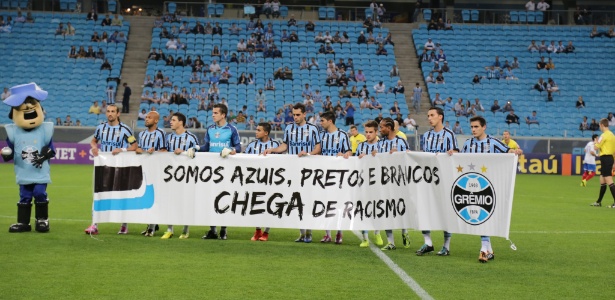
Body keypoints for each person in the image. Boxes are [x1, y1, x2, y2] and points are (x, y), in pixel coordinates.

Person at [458, 116, 522, 263]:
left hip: (490, 186)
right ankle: (487, 249)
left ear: (484, 127)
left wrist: (516, 152)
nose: (473, 129)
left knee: (483, 215)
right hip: (472, 187)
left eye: (476, 127)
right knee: (480, 215)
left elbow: (508, 152)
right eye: (472, 127)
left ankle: (484, 248)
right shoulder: (468, 144)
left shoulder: (493, 142)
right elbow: (460, 160)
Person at [263, 103, 321, 243]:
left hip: (308, 170)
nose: (295, 117)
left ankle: (309, 232)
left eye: (298, 115)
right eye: (293, 114)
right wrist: (272, 150)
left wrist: (308, 153)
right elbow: (285, 146)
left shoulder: (313, 129)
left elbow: (318, 147)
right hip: (293, 170)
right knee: (297, 200)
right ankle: (302, 233)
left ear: (304, 114)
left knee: (307, 200)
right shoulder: (289, 128)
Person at [1, 83, 55, 233]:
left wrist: (44, 155)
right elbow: (10, 152)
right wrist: (7, 154)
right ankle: (24, 223)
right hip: (23, 172)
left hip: (40, 172)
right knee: (24, 195)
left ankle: (42, 220)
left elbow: (51, 149)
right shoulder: (13, 132)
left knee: (39, 193)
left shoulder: (45, 130)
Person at [84, 104, 137, 235]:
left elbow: (135, 146)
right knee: (98, 194)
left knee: (122, 195)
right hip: (104, 166)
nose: (110, 114)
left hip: (121, 167)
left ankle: (124, 225)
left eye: (113, 111)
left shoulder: (126, 130)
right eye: (108, 111)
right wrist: (94, 147)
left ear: (118, 114)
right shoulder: (101, 128)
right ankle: (94, 225)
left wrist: (122, 149)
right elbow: (93, 141)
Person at [192, 104, 241, 240]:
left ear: (223, 115)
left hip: (226, 169)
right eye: (212, 113)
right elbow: (206, 146)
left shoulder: (231, 129)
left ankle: (223, 230)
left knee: (224, 197)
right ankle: (212, 230)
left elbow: (238, 147)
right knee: (210, 198)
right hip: (211, 169)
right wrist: (196, 148)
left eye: (215, 113)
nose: (212, 115)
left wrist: (231, 150)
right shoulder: (210, 129)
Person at [416, 107, 459, 256]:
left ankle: (446, 245)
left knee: (444, 211)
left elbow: (456, 153)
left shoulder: (449, 134)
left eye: (432, 115)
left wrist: (453, 153)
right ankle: (428, 242)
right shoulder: (426, 135)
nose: (429, 118)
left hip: (444, 179)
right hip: (427, 179)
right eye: (428, 115)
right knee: (424, 209)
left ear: (440, 117)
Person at [160, 112, 199, 239]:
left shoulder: (191, 138)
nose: (170, 122)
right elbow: (163, 151)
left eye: (173, 120)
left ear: (181, 122)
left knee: (185, 201)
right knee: (169, 202)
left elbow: (197, 154)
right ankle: (169, 229)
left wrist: (183, 152)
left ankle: (185, 230)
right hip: (170, 175)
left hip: (186, 176)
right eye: (171, 120)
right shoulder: (168, 137)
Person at [318, 112, 352, 244]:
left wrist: (344, 154)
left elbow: (349, 151)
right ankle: (327, 234)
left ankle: (339, 232)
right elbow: (319, 151)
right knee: (325, 204)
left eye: (322, 121)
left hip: (338, 176)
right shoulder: (322, 135)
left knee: (338, 204)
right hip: (324, 175)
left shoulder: (342, 135)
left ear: (330, 121)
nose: (321, 123)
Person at [377, 117, 410, 251]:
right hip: (384, 181)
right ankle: (391, 242)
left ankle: (404, 232)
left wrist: (398, 155)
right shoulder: (380, 143)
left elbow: (409, 158)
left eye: (382, 127)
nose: (380, 129)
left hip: (399, 181)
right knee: (385, 211)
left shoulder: (401, 142)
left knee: (400, 208)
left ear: (389, 128)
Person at [245, 122, 281, 241]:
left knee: (269, 205)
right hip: (255, 180)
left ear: (266, 132)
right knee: (255, 204)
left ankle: (266, 232)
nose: (256, 132)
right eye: (256, 129)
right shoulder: (251, 145)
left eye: (259, 130)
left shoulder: (275, 145)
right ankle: (257, 231)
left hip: (271, 181)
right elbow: (244, 159)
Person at [134, 111, 166, 236]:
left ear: (156, 121)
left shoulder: (161, 133)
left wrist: (155, 151)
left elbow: (164, 150)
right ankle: (150, 225)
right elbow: (139, 148)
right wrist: (139, 150)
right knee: (147, 196)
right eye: (146, 117)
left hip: (156, 169)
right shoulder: (142, 134)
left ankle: (152, 227)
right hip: (143, 169)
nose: (146, 119)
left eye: (149, 117)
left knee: (154, 197)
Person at [354, 120, 384, 247]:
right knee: (363, 209)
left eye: (370, 132)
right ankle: (365, 238)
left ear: (376, 132)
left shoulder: (382, 145)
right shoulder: (361, 146)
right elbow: (354, 163)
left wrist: (379, 156)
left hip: (379, 182)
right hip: (364, 182)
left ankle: (377, 232)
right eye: (366, 132)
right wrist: (358, 158)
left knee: (378, 208)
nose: (368, 135)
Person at [590, 119, 615, 208]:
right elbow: (614, 150)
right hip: (609, 158)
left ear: (601, 125)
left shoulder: (603, 135)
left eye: (600, 126)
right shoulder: (612, 135)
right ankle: (598, 202)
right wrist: (614, 161)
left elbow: (596, 147)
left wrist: (595, 142)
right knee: (602, 180)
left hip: (606, 159)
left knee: (608, 180)